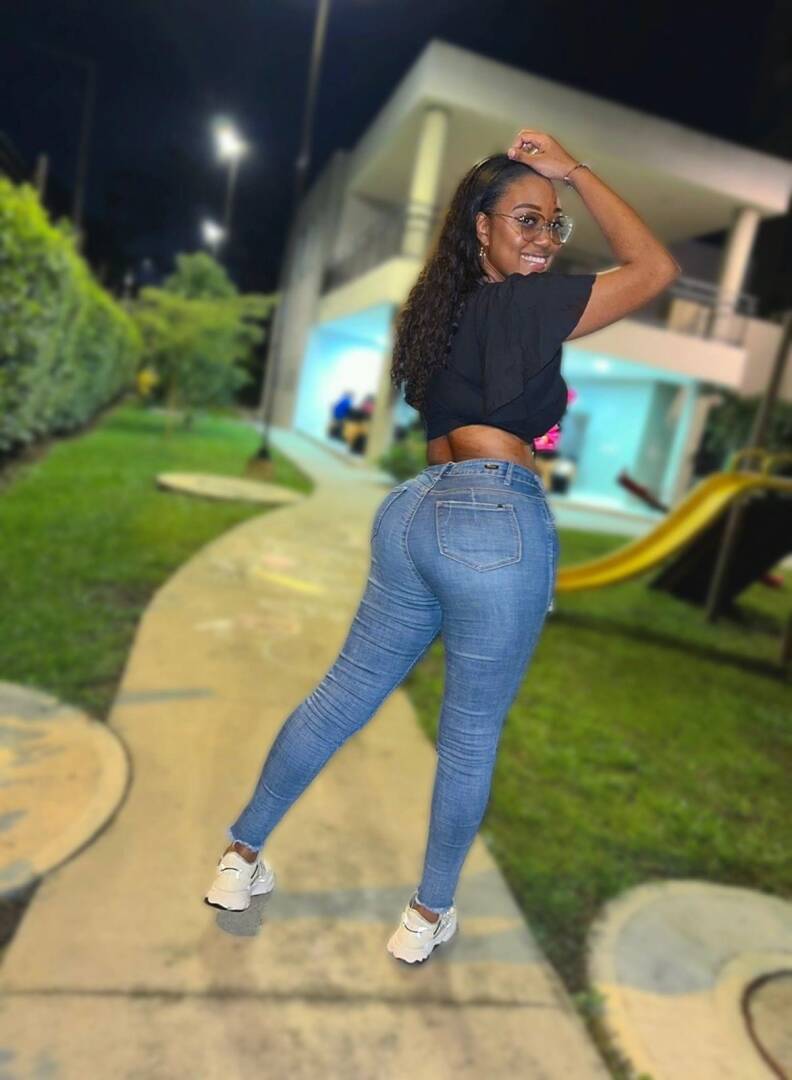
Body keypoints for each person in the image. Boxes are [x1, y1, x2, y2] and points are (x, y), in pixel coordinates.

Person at [205, 128, 681, 963]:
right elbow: (653, 269)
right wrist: (574, 169)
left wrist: (550, 193)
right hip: (492, 522)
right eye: (527, 219)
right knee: (469, 737)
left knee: (338, 699)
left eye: (555, 222)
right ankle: (426, 916)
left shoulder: (436, 314)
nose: (545, 237)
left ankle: (238, 860)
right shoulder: (526, 306)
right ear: (481, 227)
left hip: (414, 514)